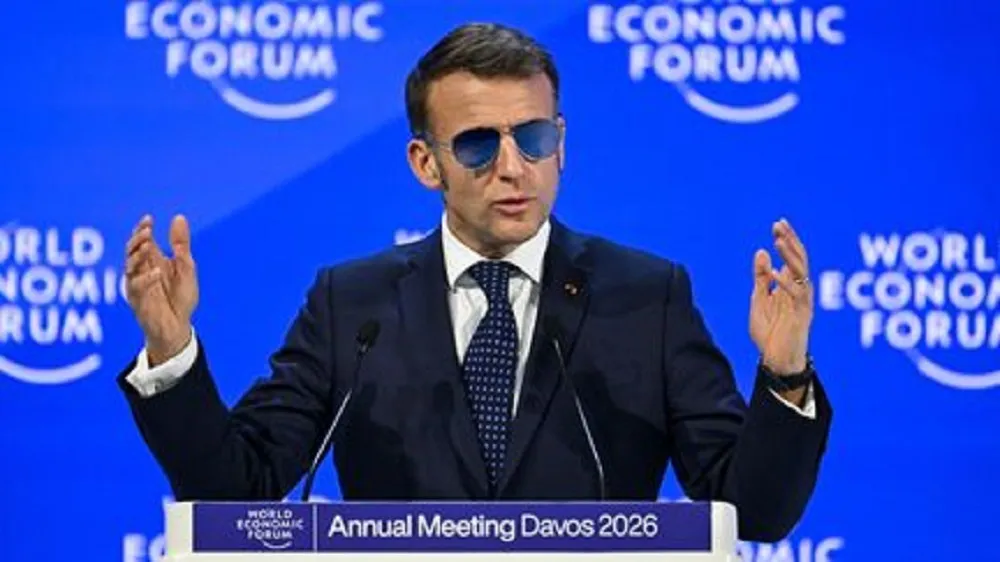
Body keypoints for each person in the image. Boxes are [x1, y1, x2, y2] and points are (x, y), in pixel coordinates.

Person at [118, 22, 831, 542]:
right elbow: (235, 489)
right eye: (480, 144)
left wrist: (785, 374)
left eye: (534, 138)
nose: (513, 168)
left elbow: (754, 511)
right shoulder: (353, 305)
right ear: (426, 163)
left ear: (561, 145)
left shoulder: (646, 296)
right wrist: (172, 353)